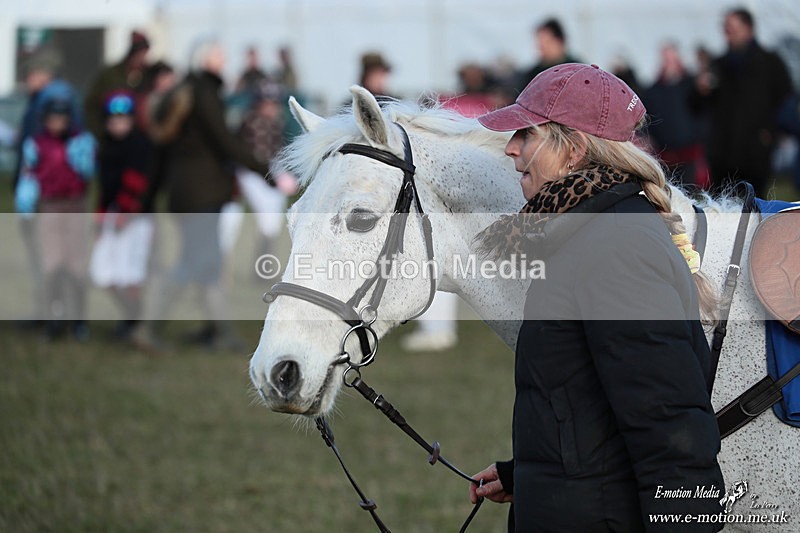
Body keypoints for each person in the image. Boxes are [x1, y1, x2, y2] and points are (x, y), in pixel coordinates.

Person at [469, 63, 724, 531]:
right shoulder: (580, 233)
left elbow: (672, 436)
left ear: (574, 152)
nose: (510, 147)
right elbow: (589, 404)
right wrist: (527, 474)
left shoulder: (616, 249)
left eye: (527, 134)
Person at [132, 37, 273, 352]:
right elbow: (225, 141)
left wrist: (151, 194)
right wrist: (266, 171)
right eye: (220, 54)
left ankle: (218, 333)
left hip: (189, 193)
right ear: (206, 59)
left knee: (207, 263)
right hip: (201, 194)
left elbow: (164, 151)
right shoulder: (204, 93)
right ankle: (148, 330)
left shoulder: (187, 91)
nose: (225, 59)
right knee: (193, 263)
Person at [18, 91, 96, 340]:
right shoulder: (37, 144)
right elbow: (28, 177)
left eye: (61, 118)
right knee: (52, 265)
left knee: (76, 265)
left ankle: (78, 319)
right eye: (53, 118)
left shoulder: (80, 140)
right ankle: (54, 318)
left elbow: (88, 171)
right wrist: (26, 206)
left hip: (75, 205)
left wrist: (81, 155)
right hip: (50, 206)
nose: (57, 123)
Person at [691, 7, 792, 196]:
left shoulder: (770, 63)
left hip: (756, 152)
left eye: (732, 29)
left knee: (755, 208)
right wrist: (700, 90)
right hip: (723, 154)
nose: (728, 34)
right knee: (724, 207)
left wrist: (771, 133)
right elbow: (696, 106)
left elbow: (786, 100)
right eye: (726, 29)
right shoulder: (719, 65)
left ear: (748, 29)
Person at [89, 91, 156, 340]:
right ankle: (130, 316)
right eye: (113, 119)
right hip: (113, 215)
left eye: (123, 119)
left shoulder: (140, 144)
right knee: (102, 273)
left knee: (131, 274)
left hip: (136, 219)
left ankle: (133, 323)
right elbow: (104, 190)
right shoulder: (106, 147)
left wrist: (125, 214)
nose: (118, 124)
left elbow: (139, 184)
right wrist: (100, 220)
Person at [643, 43, 709, 187]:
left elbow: (703, 113)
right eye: (666, 59)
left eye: (672, 59)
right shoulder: (653, 90)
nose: (669, 64)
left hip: (689, 153)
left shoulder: (692, 86)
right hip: (665, 154)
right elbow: (648, 119)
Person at [84, 30, 151, 140]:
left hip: (139, 138)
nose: (142, 58)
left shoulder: (149, 74)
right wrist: (99, 131)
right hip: (110, 137)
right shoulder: (111, 74)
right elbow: (92, 103)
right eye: (140, 54)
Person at [514, 18, 580, 96]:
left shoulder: (577, 70)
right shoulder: (533, 75)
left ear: (560, 41)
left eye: (547, 42)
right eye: (540, 44)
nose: (542, 48)